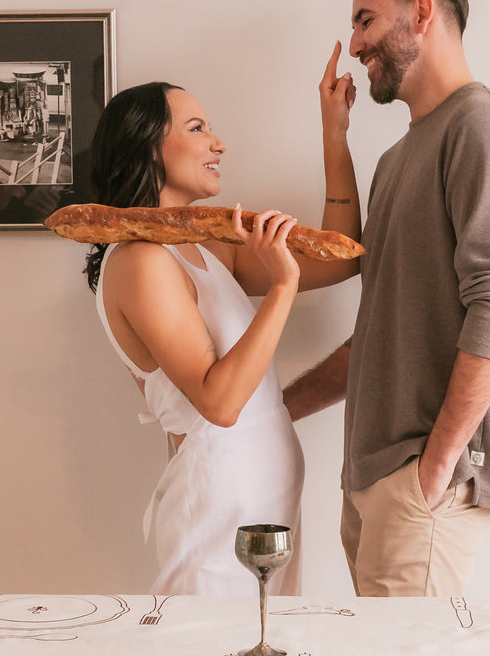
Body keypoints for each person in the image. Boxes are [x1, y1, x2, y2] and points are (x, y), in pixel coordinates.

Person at [284, 0, 490, 597]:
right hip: (375, 478)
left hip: (423, 481)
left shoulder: (479, 126)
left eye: (366, 20)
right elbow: (382, 331)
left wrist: (438, 463)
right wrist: (272, 411)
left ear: (422, 11)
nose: (356, 45)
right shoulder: (399, 157)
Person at [83, 53, 359, 596]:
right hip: (215, 511)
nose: (219, 142)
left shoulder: (208, 245)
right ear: (148, 148)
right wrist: (281, 287)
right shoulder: (139, 261)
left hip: (265, 503)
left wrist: (334, 133)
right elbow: (221, 402)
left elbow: (341, 259)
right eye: (197, 128)